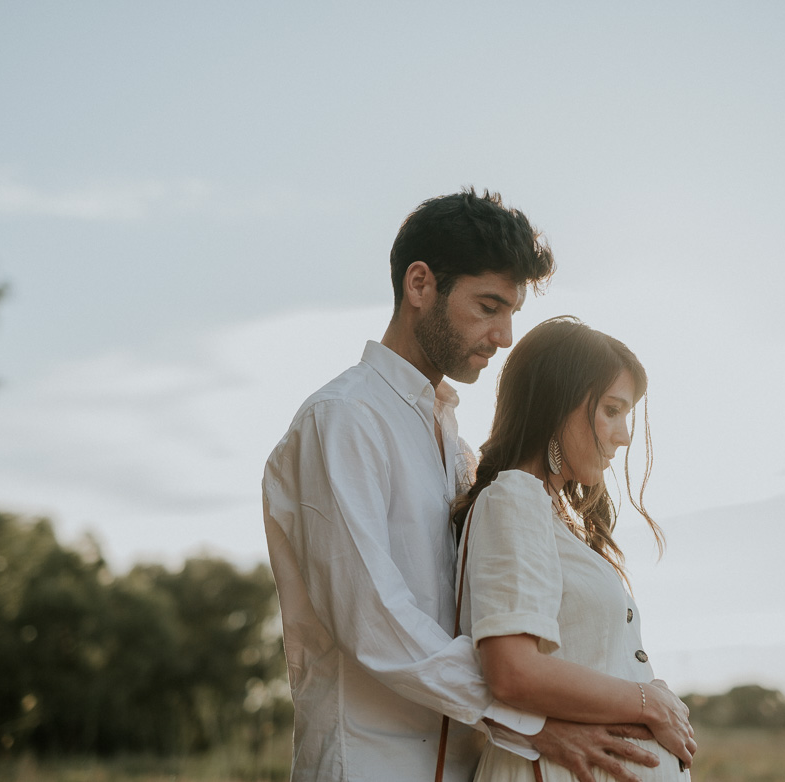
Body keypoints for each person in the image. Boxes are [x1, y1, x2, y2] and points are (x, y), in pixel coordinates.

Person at [262, 189, 693, 782]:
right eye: (489, 306)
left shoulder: (459, 453)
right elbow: (375, 620)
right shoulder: (345, 419)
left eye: (512, 311)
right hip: (372, 763)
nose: (506, 334)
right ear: (420, 286)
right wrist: (535, 722)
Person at [452, 316, 697, 781]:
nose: (623, 435)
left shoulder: (543, 512)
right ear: (556, 404)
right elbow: (513, 672)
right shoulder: (515, 499)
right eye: (610, 410)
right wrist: (649, 702)